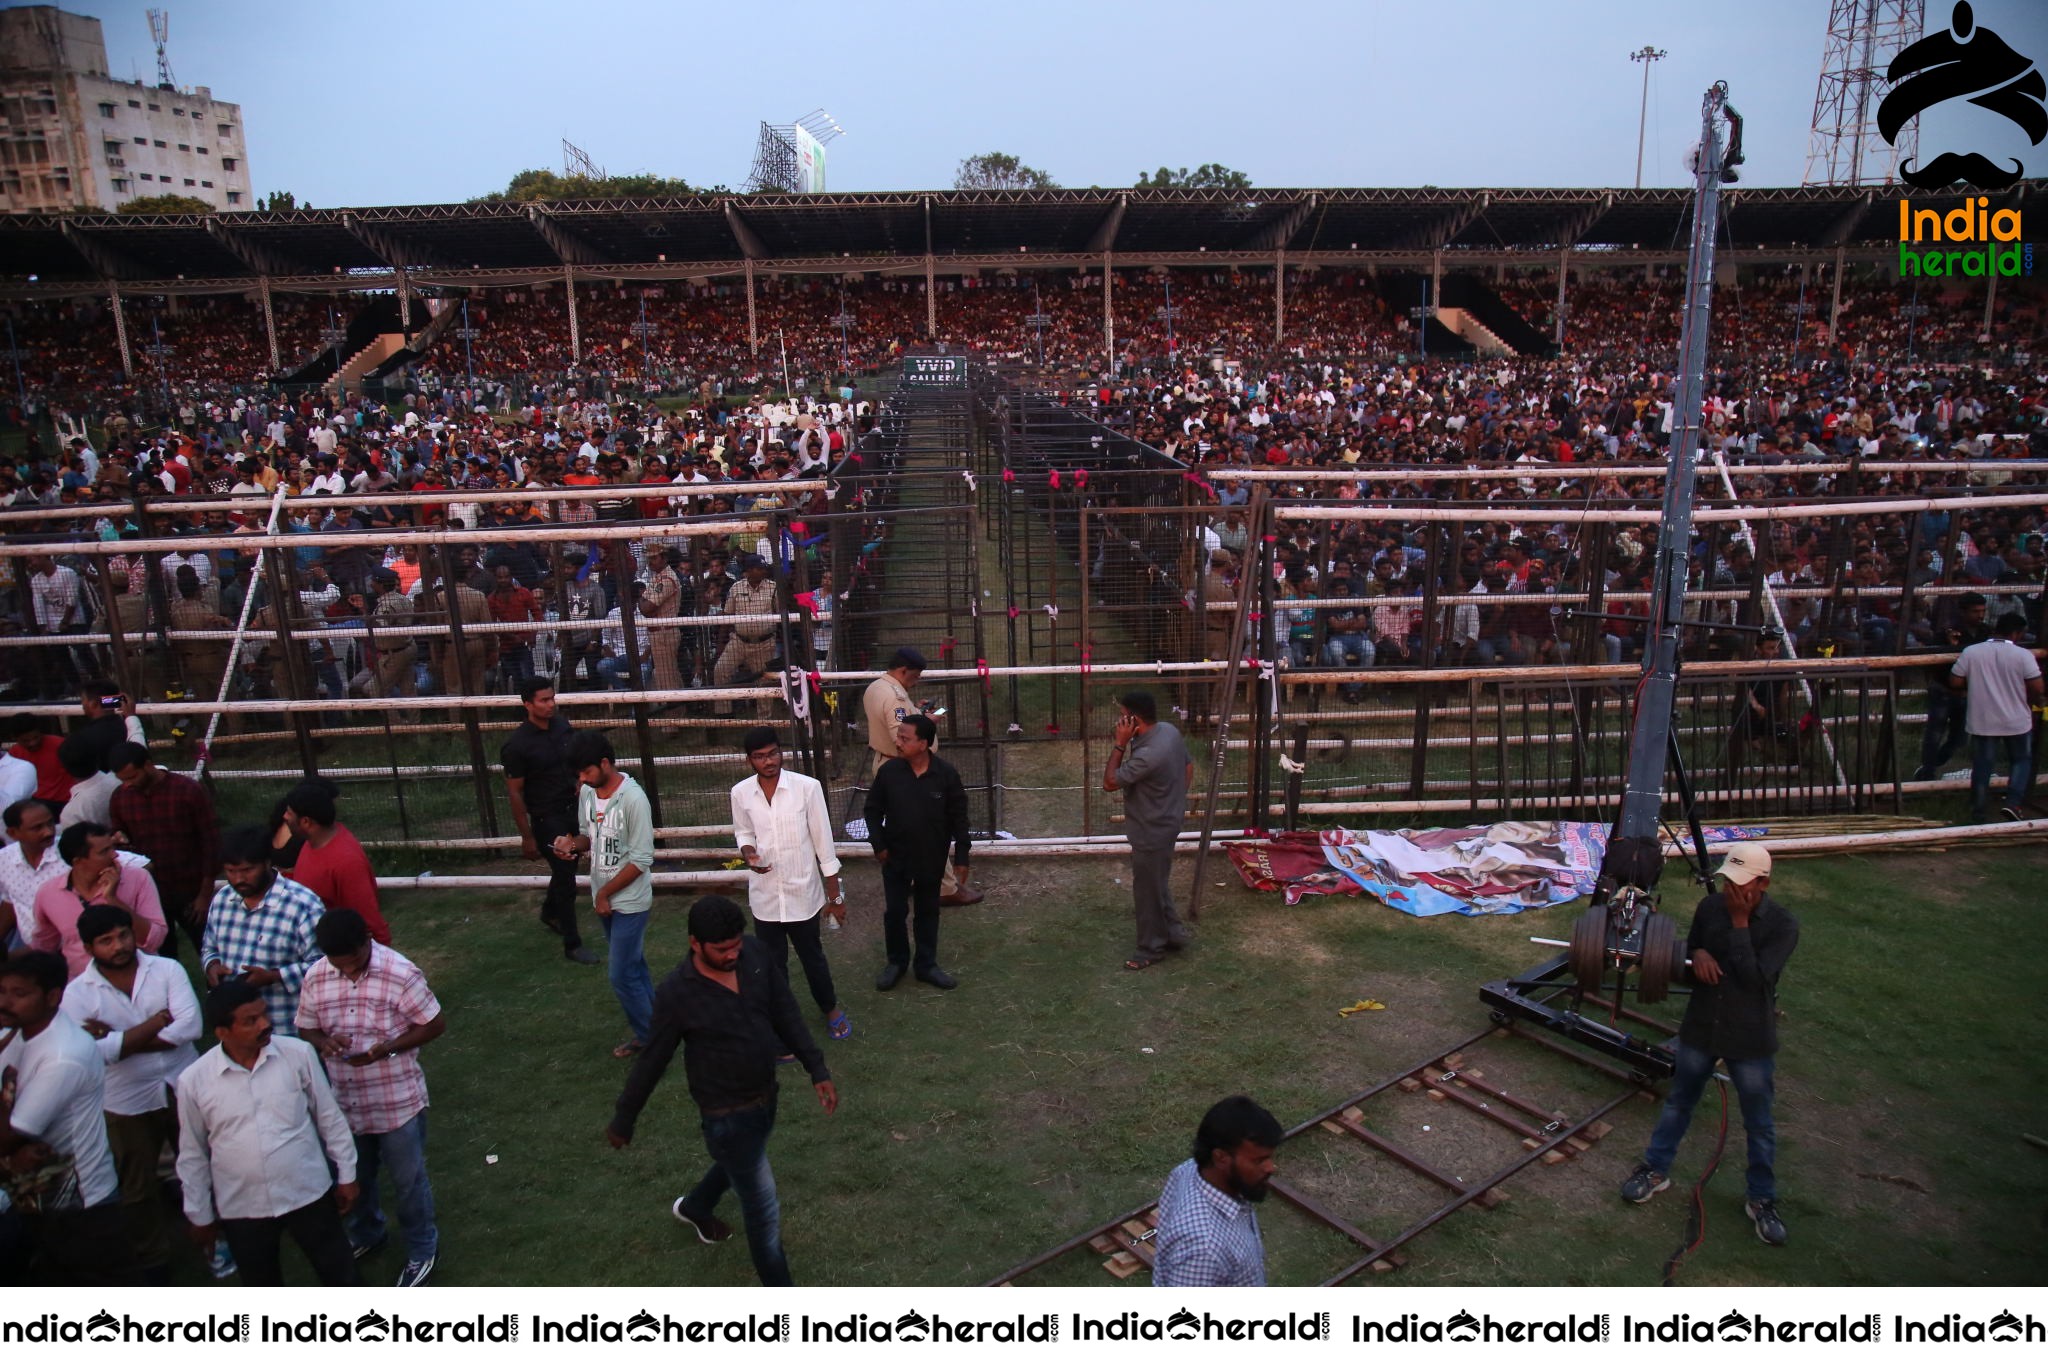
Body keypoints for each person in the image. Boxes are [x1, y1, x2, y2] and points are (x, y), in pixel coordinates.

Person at [605, 894, 838, 1287]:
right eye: (722, 950)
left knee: (744, 1159)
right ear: (695, 944)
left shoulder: (754, 954)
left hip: (766, 1096)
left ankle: (696, 1206)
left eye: (735, 945)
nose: (732, 955)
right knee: (763, 1212)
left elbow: (785, 1011)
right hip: (725, 1115)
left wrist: (817, 1068)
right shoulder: (678, 993)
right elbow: (653, 1059)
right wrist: (624, 1117)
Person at [1621, 843, 1799, 1247]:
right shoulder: (1709, 908)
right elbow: (1692, 948)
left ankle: (1761, 1198)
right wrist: (1698, 953)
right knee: (1679, 1102)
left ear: (1763, 883)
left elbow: (1755, 981)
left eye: (1741, 884)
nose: (1731, 890)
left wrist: (1739, 924)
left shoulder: (1783, 926)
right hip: (1702, 1026)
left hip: (1749, 1036)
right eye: (1728, 881)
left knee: (1758, 1122)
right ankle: (1655, 1169)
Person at [295, 909, 445, 1288]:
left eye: (354, 962)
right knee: (355, 1177)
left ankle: (422, 1249)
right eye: (339, 965)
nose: (347, 970)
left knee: (408, 1183)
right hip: (345, 1102)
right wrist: (324, 1041)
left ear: (366, 941)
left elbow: (434, 1024)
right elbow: (306, 1027)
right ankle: (367, 1233)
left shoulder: (400, 973)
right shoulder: (316, 976)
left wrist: (389, 1048)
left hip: (396, 1101)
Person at [176, 980, 360, 1286]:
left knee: (342, 1277)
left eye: (263, 1014)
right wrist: (200, 1214)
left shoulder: (298, 1054)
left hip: (308, 1193)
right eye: (251, 1021)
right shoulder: (193, 1081)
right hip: (242, 1207)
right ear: (222, 1032)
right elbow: (192, 1152)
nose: (264, 1024)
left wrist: (347, 1175)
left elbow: (329, 1118)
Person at [58, 902, 202, 1281]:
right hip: (125, 1099)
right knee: (137, 1186)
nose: (119, 945)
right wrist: (155, 1024)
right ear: (88, 948)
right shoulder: (77, 994)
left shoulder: (167, 969)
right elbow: (93, 1053)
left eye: (123, 935)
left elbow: (190, 1028)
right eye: (106, 941)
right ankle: (153, 1259)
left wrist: (119, 1039)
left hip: (182, 1083)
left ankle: (213, 1236)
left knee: (201, 1164)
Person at [0, 950, 134, 1285]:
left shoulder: (63, 1055)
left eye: (19, 994)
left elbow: (7, 1138)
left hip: (81, 1206)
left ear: (52, 997)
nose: (5, 1002)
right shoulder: (18, 1032)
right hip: (35, 1199)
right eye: (2, 991)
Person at [731, 727, 849, 1040]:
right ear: (749, 760)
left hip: (803, 894)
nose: (768, 761)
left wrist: (835, 897)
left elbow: (824, 845)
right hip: (766, 897)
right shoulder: (741, 793)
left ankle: (830, 1009)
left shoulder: (807, 788)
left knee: (812, 957)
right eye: (760, 757)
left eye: (773, 753)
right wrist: (749, 853)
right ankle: (782, 1021)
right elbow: (743, 832)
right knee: (772, 964)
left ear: (780, 752)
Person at [559, 732, 656, 1057]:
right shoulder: (588, 792)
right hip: (605, 897)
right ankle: (657, 1028)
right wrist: (571, 845)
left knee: (621, 975)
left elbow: (641, 859)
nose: (582, 780)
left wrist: (604, 894)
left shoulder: (634, 799)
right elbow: (586, 836)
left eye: (586, 772)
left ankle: (650, 1038)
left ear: (604, 763)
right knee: (634, 967)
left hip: (629, 901)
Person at [861, 647, 979, 906]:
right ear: (903, 670)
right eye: (914, 677)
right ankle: (945, 888)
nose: (915, 682)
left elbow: (903, 725)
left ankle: (912, 877)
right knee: (930, 827)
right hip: (904, 767)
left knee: (905, 827)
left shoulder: (877, 687)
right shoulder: (894, 698)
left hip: (887, 762)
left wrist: (920, 717)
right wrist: (928, 727)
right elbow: (902, 740)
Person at [861, 712, 969, 991]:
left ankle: (926, 965)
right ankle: (896, 963)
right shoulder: (889, 773)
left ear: (923, 744)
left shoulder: (946, 775)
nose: (898, 742)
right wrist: (879, 846)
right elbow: (872, 811)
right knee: (895, 912)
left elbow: (959, 818)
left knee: (927, 911)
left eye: (904, 738)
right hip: (895, 858)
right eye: (899, 737)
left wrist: (962, 857)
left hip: (931, 858)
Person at [501, 679, 597, 964]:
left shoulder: (562, 727)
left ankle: (550, 911)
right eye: (543, 700)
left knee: (567, 867)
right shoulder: (517, 745)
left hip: (572, 808)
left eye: (552, 698)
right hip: (546, 817)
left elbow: (576, 759)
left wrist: (581, 780)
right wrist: (527, 836)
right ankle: (572, 943)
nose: (550, 704)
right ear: (527, 704)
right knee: (566, 874)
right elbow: (515, 792)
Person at [200, 824, 328, 1034]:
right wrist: (212, 966)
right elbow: (209, 948)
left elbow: (324, 966)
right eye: (231, 871)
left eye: (247, 870)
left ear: (267, 863)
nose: (239, 879)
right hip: (238, 1035)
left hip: (286, 1029)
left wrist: (276, 976)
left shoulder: (302, 905)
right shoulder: (222, 899)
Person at [1103, 690, 1194, 971]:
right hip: (1168, 822)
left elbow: (1109, 782)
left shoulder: (1147, 755)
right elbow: (1189, 766)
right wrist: (1175, 801)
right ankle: (1174, 933)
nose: (1119, 721)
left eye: (1122, 716)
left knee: (1146, 890)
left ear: (1134, 719)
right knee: (1156, 881)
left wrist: (1119, 745)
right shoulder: (1169, 731)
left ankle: (1150, 948)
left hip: (1151, 831)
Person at [1152, 1095, 1281, 1288]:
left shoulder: (1191, 1169)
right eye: (1259, 1160)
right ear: (1221, 1158)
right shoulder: (1204, 1250)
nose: (1271, 1167)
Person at [108, 740, 220, 953]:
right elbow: (118, 833)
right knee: (161, 954)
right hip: (149, 894)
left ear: (148, 765)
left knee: (209, 949)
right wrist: (118, 836)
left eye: (132, 777)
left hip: (190, 891)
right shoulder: (120, 798)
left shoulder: (188, 791)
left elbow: (211, 842)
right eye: (123, 780)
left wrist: (204, 896)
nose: (128, 784)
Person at [30, 821, 168, 981]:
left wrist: (112, 899)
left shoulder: (138, 878)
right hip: (83, 987)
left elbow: (155, 940)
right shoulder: (48, 894)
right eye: (104, 851)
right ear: (78, 861)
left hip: (140, 980)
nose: (115, 855)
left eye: (112, 847)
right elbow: (44, 948)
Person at [1949, 612, 2043, 821]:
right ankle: (2013, 803)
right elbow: (2037, 687)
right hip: (2016, 720)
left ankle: (1978, 810)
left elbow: (1955, 681)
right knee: (2021, 760)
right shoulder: (2023, 655)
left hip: (1982, 719)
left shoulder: (1971, 652)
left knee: (1983, 764)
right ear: (2017, 633)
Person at [280, 780, 392, 945]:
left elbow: (369, 921)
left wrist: (381, 955)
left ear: (306, 822)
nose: (284, 816)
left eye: (289, 813)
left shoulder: (346, 862)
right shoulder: (312, 841)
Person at [1914, 591, 1989, 780]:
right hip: (1944, 691)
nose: (1980, 615)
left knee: (1960, 738)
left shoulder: (1986, 632)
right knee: (1934, 734)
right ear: (1963, 612)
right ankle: (1927, 773)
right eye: (1975, 611)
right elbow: (1936, 662)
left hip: (1968, 693)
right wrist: (1951, 646)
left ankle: (1932, 764)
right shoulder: (1946, 632)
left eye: (1982, 611)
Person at [0, 798, 65, 952]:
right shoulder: (4, 860)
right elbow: (11, 901)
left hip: (72, 950)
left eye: (50, 823)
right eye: (37, 828)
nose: (49, 831)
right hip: (33, 953)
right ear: (13, 833)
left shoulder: (69, 853)